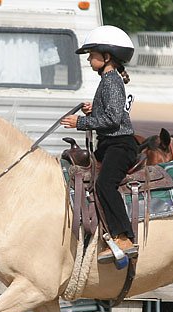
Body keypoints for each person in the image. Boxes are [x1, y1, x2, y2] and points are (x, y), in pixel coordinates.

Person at [61, 25, 138, 264]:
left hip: (119, 145)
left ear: (107, 57)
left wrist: (81, 122)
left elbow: (114, 120)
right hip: (110, 144)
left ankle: (124, 237)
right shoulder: (108, 80)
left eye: (92, 54)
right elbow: (111, 112)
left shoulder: (111, 81)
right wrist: (94, 109)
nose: (89, 59)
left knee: (105, 184)